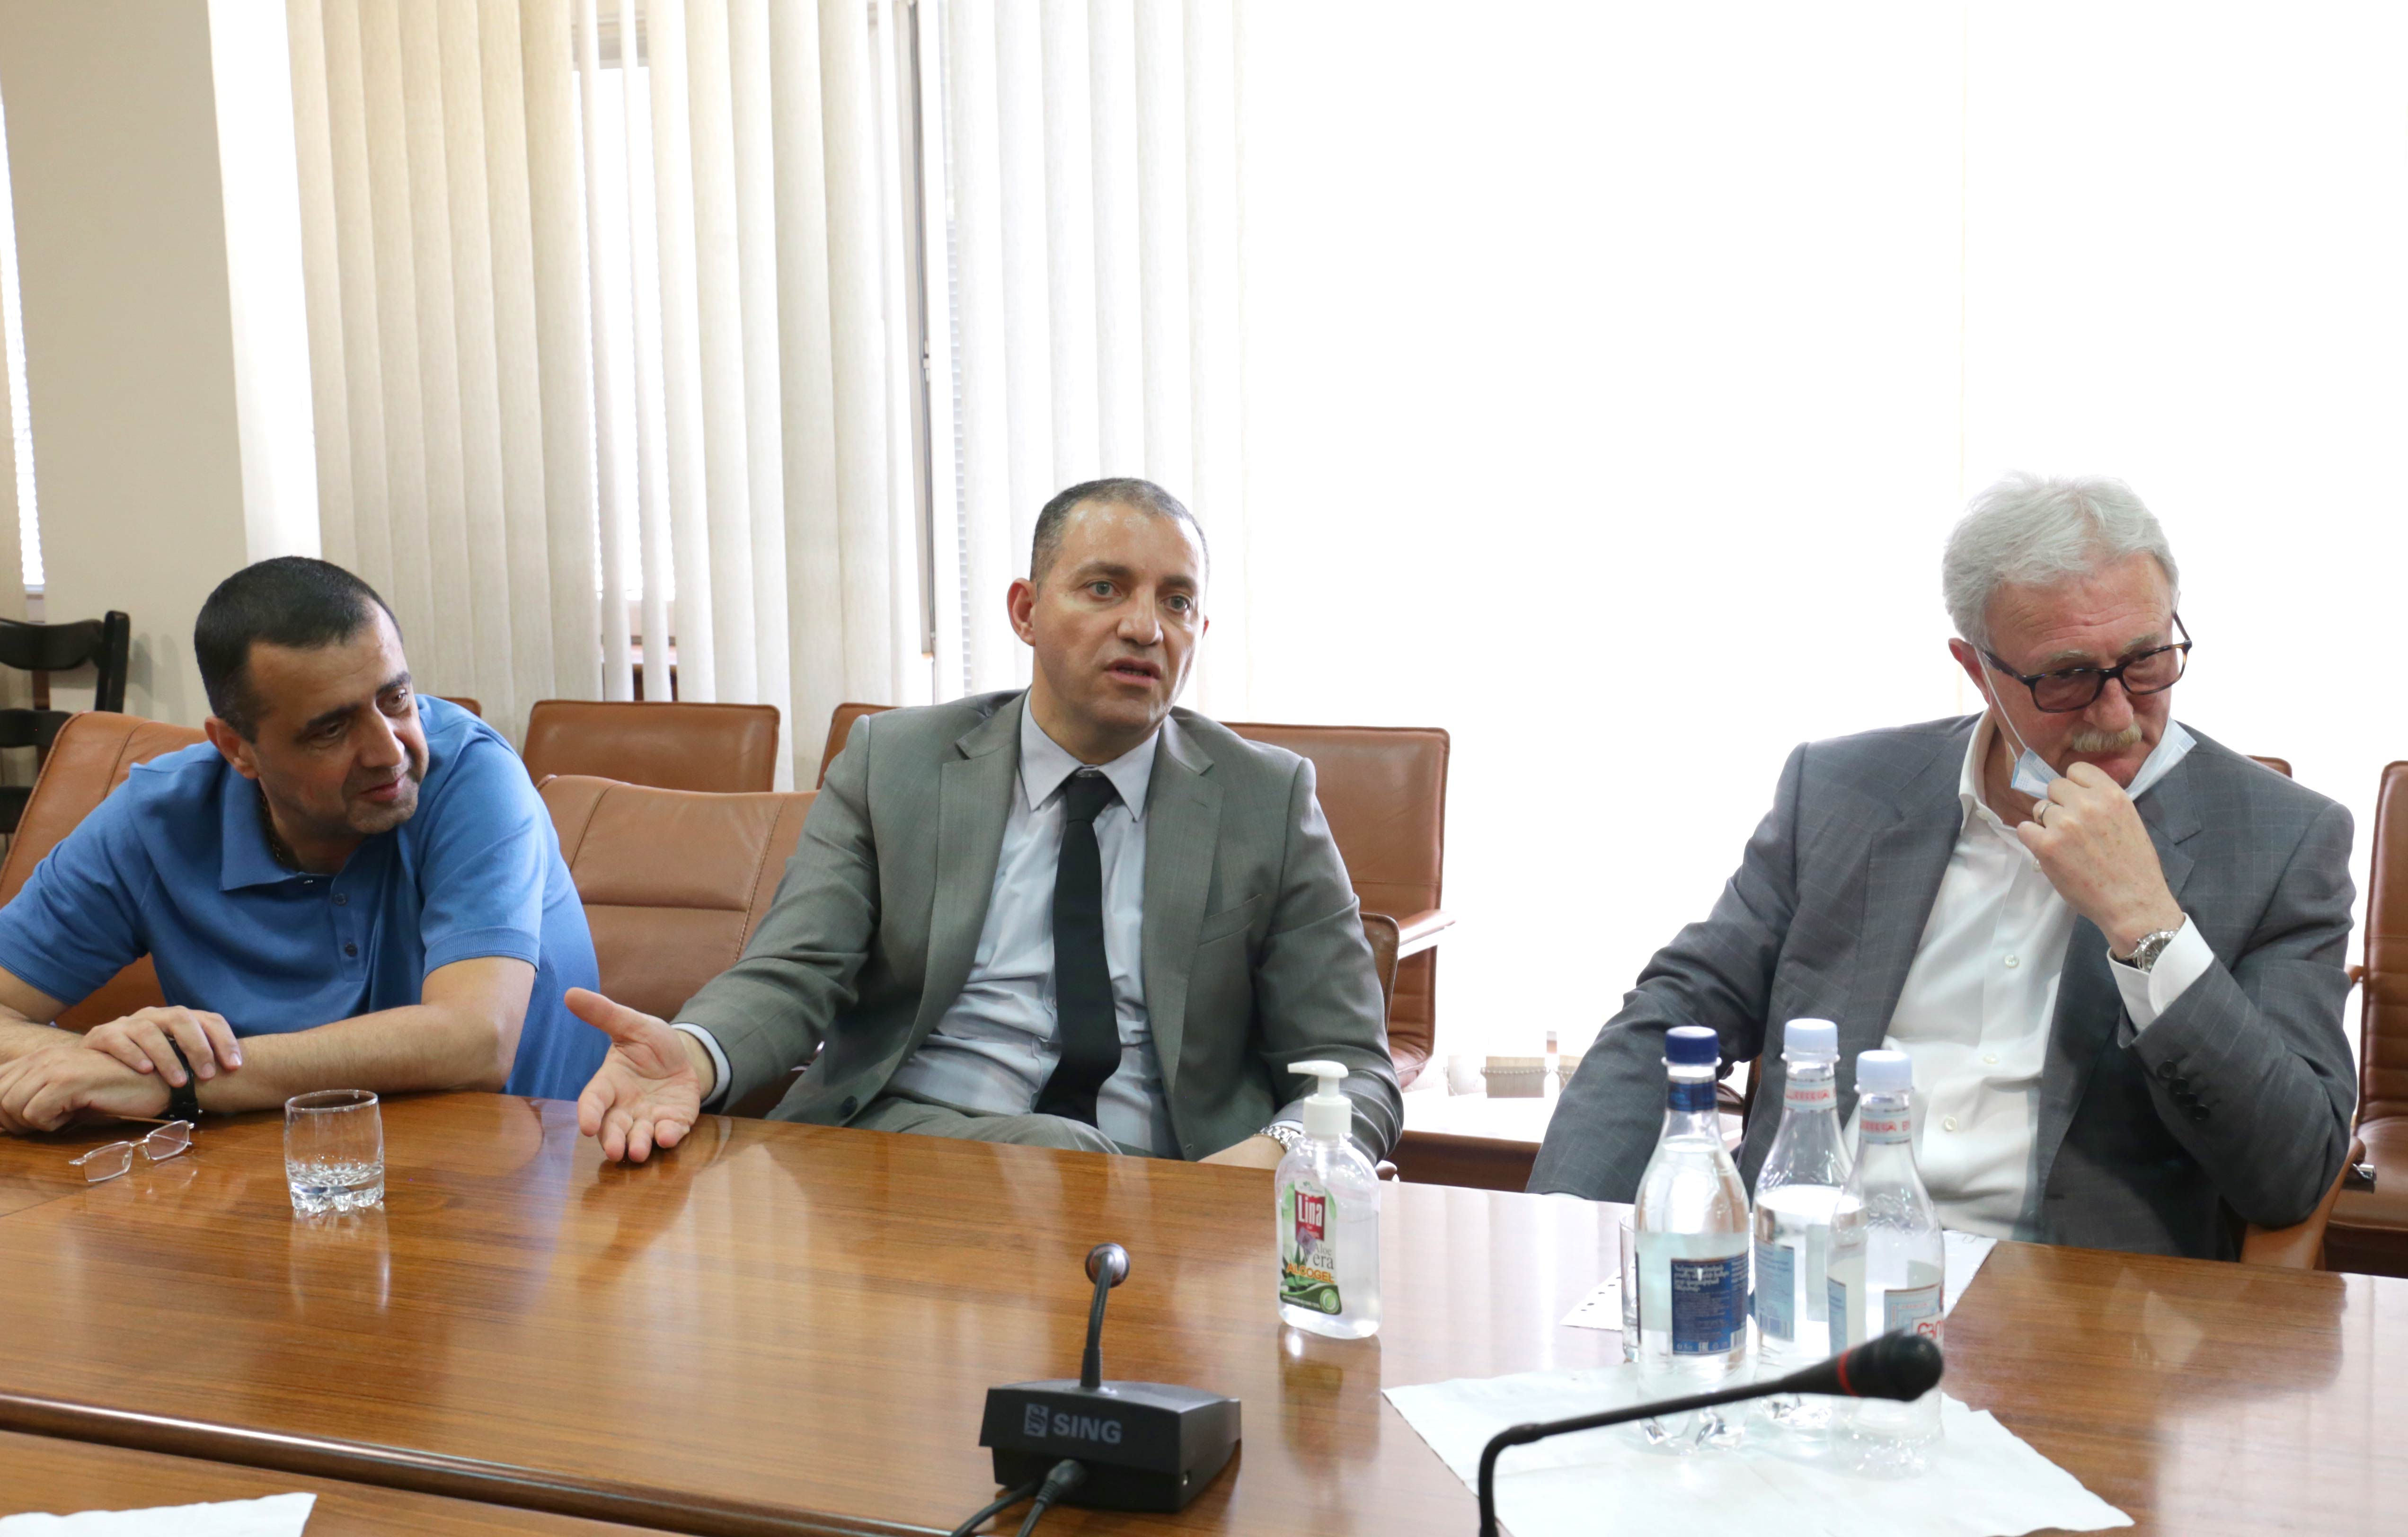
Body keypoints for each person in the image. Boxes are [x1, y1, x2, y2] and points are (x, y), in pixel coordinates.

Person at [1531, 473, 2355, 1259]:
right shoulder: (1842, 791)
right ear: (1977, 670)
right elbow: (1672, 1016)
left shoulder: (2282, 838)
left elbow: (2289, 1172)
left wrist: (2148, 927)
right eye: (2068, 675)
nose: (2116, 713)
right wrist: (1564, 1224)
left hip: (2074, 1309)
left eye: (2145, 660)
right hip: (1800, 1276)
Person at [569, 477, 1399, 1167]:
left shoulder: (1266, 799)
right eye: (1104, 588)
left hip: (1164, 1195)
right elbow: (796, 969)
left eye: (1176, 602)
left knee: (1073, 1156)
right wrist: (696, 1052)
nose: (1145, 627)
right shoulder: (896, 763)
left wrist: (1275, 1156)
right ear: (1026, 610)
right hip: (904, 1156)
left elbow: (1354, 1067)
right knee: (1062, 1152)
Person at [0, 557, 606, 1132]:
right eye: (332, 729)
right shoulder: (158, 819)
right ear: (237, 748)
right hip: (264, 1175)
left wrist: (179, 1080)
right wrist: (99, 1064)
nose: (389, 751)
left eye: (395, 698)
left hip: (510, 1175)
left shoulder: (471, 775)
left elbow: (476, 1041)